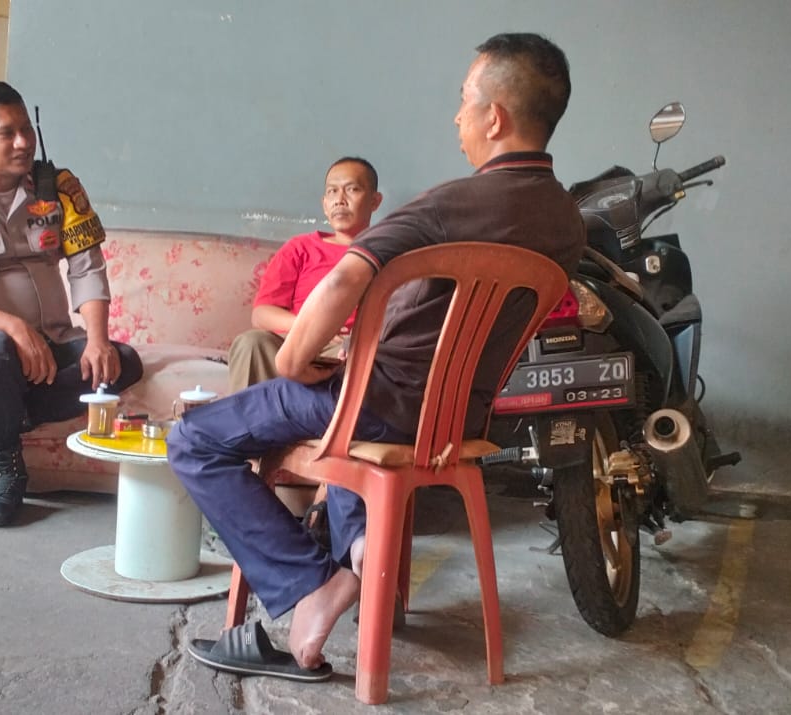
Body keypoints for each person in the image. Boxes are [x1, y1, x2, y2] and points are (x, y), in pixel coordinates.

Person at [170, 33, 585, 680]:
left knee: (194, 439)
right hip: (456, 425)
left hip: (379, 405)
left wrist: (292, 363)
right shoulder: (565, 222)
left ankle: (313, 587)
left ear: (495, 118)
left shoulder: (453, 203)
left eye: (463, 101)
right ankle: (363, 550)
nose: (456, 117)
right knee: (350, 429)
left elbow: (344, 278)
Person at [0, 80, 144, 528]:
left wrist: (97, 340)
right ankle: (6, 473)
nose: (22, 142)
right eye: (6, 133)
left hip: (53, 341)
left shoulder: (58, 189)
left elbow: (86, 268)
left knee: (123, 362)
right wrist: (13, 327)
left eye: (26, 130)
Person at [228, 157, 383, 392]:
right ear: (324, 204)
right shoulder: (300, 248)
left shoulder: (385, 252)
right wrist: (311, 327)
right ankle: (244, 417)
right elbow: (262, 314)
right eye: (332, 191)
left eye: (352, 189)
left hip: (348, 348)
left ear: (375, 201)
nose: (339, 200)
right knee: (251, 343)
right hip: (295, 343)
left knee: (367, 357)